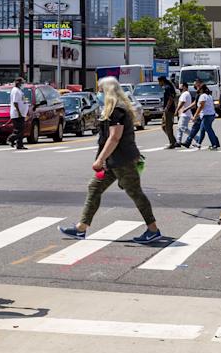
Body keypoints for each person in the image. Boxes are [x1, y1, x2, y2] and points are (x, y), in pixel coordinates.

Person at [60, 77, 162, 244]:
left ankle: (153, 230)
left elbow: (114, 137)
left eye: (100, 91)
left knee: (135, 193)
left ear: (108, 92)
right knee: (94, 187)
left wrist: (100, 159)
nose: (98, 94)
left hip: (122, 161)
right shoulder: (112, 109)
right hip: (113, 162)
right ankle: (81, 228)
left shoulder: (117, 110)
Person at [187, 86, 221, 150]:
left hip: (206, 116)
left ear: (202, 89)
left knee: (209, 130)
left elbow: (201, 106)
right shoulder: (209, 96)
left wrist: (195, 116)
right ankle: (198, 144)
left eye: (199, 89)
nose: (197, 90)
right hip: (211, 115)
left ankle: (214, 145)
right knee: (202, 129)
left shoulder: (203, 96)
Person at [9, 77, 30, 150]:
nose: (23, 84)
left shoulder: (19, 91)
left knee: (21, 130)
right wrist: (19, 112)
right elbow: (15, 102)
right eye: (22, 82)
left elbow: (22, 101)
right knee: (19, 130)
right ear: (19, 83)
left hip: (21, 114)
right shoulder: (15, 91)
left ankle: (19, 144)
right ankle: (11, 139)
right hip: (17, 114)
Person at [159, 76, 179, 149]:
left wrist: (167, 108)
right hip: (168, 109)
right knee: (164, 126)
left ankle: (172, 143)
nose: (159, 83)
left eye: (159, 82)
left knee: (168, 127)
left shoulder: (167, 87)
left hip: (169, 110)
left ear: (162, 81)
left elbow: (171, 98)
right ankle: (174, 141)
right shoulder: (167, 87)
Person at [175, 80, 195, 146]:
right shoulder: (186, 93)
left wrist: (177, 110)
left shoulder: (185, 94)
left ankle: (197, 138)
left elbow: (182, 102)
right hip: (183, 114)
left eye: (181, 87)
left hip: (185, 114)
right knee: (179, 128)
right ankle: (178, 141)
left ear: (185, 87)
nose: (180, 88)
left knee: (183, 128)